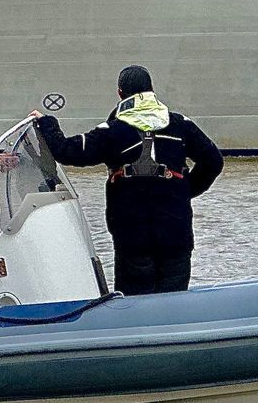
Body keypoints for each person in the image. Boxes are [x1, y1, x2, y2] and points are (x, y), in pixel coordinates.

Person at [33, 65, 222, 296]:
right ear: (152, 90)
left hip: (132, 236)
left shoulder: (112, 131)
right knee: (174, 300)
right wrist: (185, 190)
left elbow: (67, 151)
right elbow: (214, 161)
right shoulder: (181, 124)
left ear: (120, 94)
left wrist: (46, 123)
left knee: (134, 300)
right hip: (176, 232)